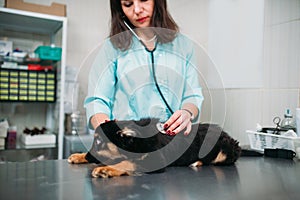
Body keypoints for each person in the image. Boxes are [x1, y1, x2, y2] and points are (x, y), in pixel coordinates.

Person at [84, 0, 204, 136]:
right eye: (128, 4)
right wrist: (108, 134)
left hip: (170, 141)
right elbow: (97, 100)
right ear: (120, 9)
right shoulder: (111, 48)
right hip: (129, 142)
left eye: (143, 0)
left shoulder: (184, 45)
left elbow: (192, 95)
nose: (137, 10)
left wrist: (187, 113)